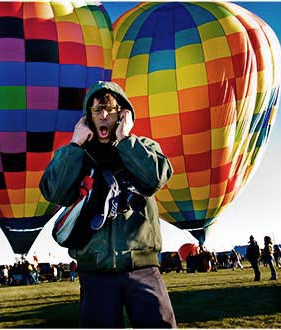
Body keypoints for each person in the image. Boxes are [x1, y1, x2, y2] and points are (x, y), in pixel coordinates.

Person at [40, 81, 176, 328]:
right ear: (88, 117)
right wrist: (74, 145)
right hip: (95, 271)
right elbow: (53, 191)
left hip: (142, 267)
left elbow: (156, 178)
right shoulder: (77, 155)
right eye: (97, 110)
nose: (103, 115)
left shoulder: (142, 147)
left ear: (122, 114)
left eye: (110, 110)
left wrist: (125, 140)